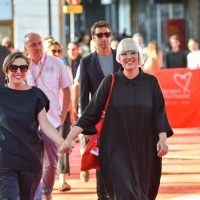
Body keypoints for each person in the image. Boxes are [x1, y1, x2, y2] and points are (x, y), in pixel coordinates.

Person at [64, 38, 174, 200]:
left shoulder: (151, 83)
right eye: (124, 54)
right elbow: (90, 113)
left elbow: (159, 114)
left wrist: (163, 140)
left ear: (139, 55)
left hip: (146, 150)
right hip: (116, 150)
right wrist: (69, 138)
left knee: (146, 192)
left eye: (132, 53)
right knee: (127, 194)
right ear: (119, 58)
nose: (129, 57)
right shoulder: (110, 81)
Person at [0, 51, 67, 200]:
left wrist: (62, 142)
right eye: (13, 68)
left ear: (27, 70)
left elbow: (46, 125)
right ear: (6, 70)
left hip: (30, 159)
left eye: (23, 68)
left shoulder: (36, 95)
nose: (18, 71)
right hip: (5, 160)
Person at [75, 20, 122, 199]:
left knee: (121, 157)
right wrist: (87, 125)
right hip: (99, 121)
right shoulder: (86, 61)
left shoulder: (121, 57)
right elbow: (84, 95)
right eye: (100, 35)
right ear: (93, 39)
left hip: (121, 117)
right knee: (100, 159)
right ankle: (103, 196)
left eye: (107, 34)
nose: (104, 38)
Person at [24, 32, 71, 200]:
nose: (38, 47)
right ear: (25, 49)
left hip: (52, 121)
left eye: (39, 43)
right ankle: (36, 195)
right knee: (32, 162)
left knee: (51, 163)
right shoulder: (22, 67)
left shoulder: (56, 63)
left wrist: (63, 115)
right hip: (29, 124)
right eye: (33, 45)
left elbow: (66, 90)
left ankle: (46, 191)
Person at [46, 40, 75, 191]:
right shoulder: (41, 70)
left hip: (62, 114)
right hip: (46, 116)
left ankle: (62, 179)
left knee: (63, 144)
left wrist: (71, 111)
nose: (56, 53)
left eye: (58, 51)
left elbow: (68, 92)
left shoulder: (67, 69)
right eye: (53, 51)